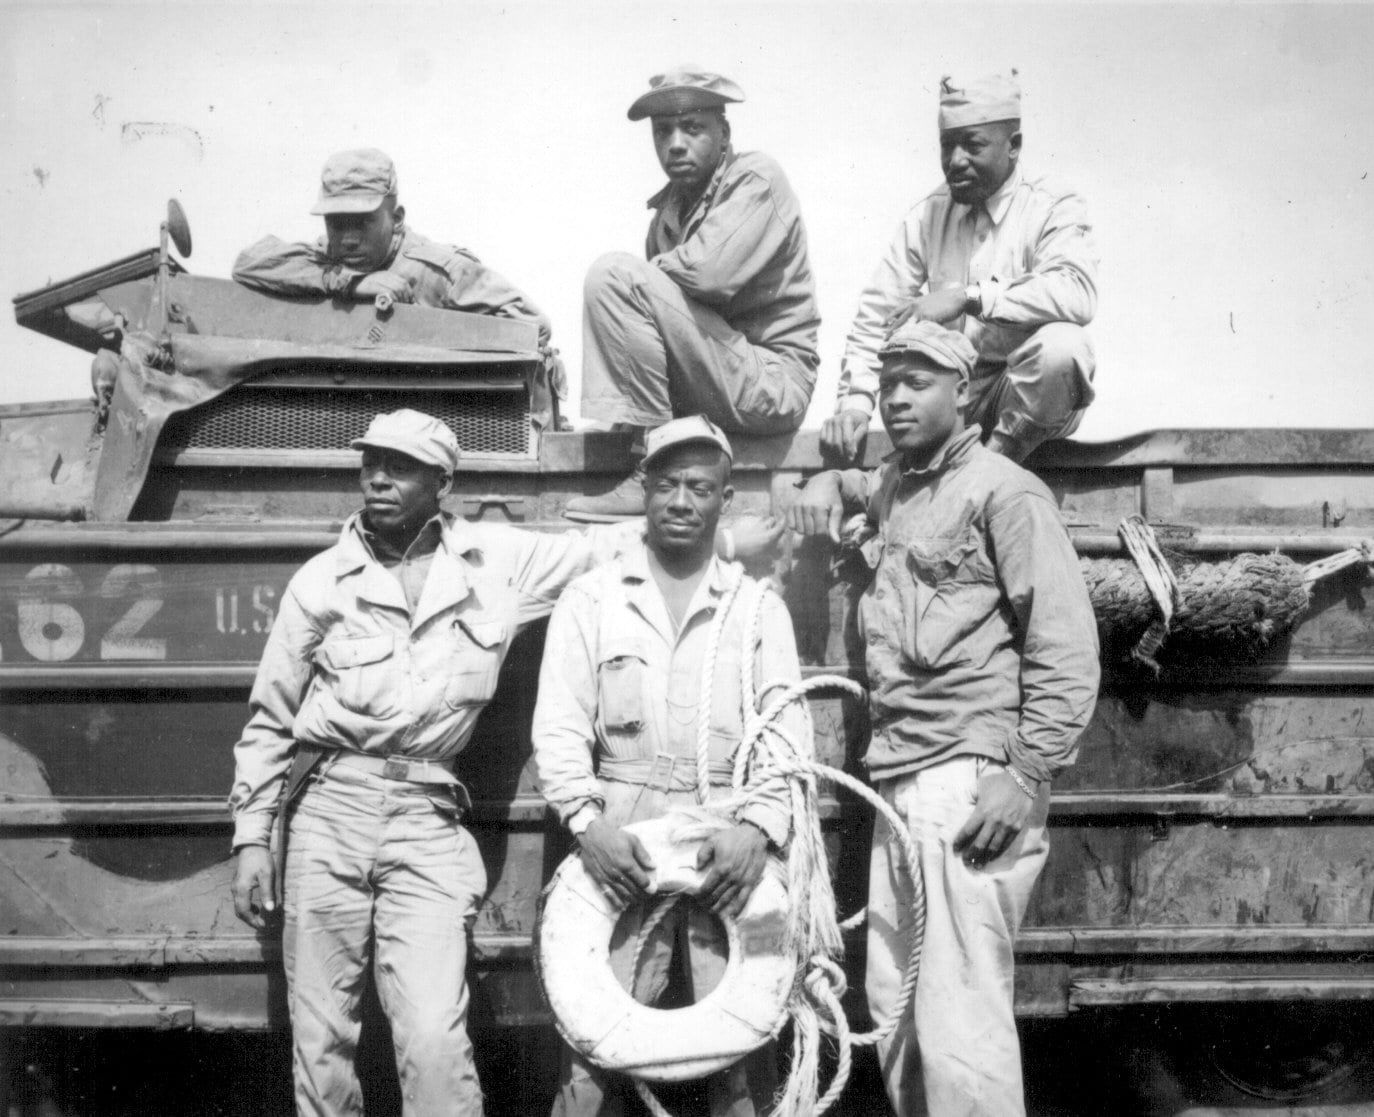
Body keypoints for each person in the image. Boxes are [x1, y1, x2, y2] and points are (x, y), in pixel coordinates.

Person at [227, 409, 779, 1116]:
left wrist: (727, 538)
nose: (378, 478)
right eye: (371, 464)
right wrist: (252, 836)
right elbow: (270, 716)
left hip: (425, 816)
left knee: (431, 1032)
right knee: (320, 1038)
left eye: (400, 467)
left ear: (443, 481)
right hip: (329, 806)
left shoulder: (497, 560)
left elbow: (601, 546)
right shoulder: (320, 580)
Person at [789, 320, 1100, 1115]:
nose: (896, 396)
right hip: (900, 780)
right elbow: (854, 491)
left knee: (961, 1024)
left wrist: (1024, 776)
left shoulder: (1006, 490)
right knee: (897, 1012)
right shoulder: (898, 486)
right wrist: (827, 480)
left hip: (969, 783)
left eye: (919, 380)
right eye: (888, 380)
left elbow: (1065, 646)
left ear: (964, 393)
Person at [534, 415, 810, 1115]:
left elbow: (785, 731)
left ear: (724, 500)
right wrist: (587, 822)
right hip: (623, 835)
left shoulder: (755, 610)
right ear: (645, 492)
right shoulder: (593, 599)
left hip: (729, 839)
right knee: (596, 1049)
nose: (681, 500)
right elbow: (561, 725)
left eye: (699, 486)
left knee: (741, 1054)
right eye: (666, 484)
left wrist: (758, 826)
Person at [565, 67, 820, 521]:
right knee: (625, 282)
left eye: (692, 128)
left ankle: (654, 470)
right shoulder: (667, 213)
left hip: (772, 380)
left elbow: (709, 274)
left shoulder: (756, 178)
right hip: (720, 376)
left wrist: (642, 277)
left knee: (614, 276)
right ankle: (644, 443)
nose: (675, 143)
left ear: (724, 133)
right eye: (662, 132)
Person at [822, 70, 1099, 466]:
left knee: (1064, 347)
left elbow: (1076, 292)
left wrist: (967, 298)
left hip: (1029, 400)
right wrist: (855, 404)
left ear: (1014, 146)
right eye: (947, 146)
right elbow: (876, 318)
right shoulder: (928, 215)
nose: (955, 161)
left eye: (973, 145)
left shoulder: (1053, 204)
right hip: (955, 401)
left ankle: (990, 468)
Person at [233, 147, 568, 429]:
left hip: (442, 423)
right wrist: (350, 282)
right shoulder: (327, 258)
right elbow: (249, 264)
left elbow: (533, 326)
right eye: (337, 224)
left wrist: (423, 331)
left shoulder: (439, 272)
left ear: (396, 219)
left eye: (363, 222)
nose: (348, 238)